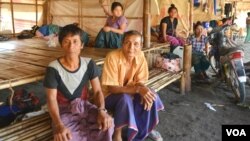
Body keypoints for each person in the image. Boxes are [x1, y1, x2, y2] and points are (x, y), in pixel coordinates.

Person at [44, 24, 114, 141]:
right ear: (61, 45)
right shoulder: (53, 68)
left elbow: (97, 91)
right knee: (66, 137)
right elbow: (51, 99)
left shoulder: (89, 64)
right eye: (67, 41)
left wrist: (102, 110)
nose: (71, 46)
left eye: (75, 41)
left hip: (85, 107)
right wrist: (59, 125)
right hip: (64, 111)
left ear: (81, 45)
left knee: (107, 125)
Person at [101, 30, 164, 141]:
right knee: (124, 99)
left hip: (131, 91)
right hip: (110, 96)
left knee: (150, 94)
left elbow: (140, 81)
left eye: (136, 44)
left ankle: (145, 130)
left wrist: (143, 89)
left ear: (141, 46)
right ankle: (117, 133)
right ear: (122, 44)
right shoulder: (112, 57)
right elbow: (112, 88)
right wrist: (138, 89)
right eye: (127, 43)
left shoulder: (140, 56)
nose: (131, 47)